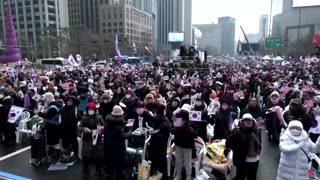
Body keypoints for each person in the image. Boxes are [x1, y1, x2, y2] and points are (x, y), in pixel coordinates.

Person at [225, 113, 261, 180]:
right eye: (246, 120)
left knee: (252, 177)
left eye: (249, 120)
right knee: (240, 177)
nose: (248, 122)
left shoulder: (257, 131)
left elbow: (259, 144)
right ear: (242, 121)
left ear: (252, 121)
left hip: (255, 160)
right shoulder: (237, 132)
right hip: (242, 161)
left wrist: (257, 153)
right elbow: (228, 143)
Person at [104, 105, 131, 180]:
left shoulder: (107, 122)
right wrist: (130, 131)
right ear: (120, 114)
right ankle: (119, 175)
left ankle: (109, 175)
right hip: (118, 147)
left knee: (110, 162)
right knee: (120, 162)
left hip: (108, 145)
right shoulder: (120, 124)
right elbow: (124, 136)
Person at [171, 104, 196, 180]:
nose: (184, 113)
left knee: (187, 162)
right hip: (178, 143)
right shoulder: (178, 118)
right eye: (183, 111)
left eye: (186, 111)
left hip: (188, 144)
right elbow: (173, 130)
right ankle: (179, 174)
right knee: (178, 160)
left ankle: (188, 176)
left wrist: (191, 131)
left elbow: (196, 134)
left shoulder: (192, 120)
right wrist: (175, 130)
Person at [145, 104, 171, 179]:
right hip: (154, 145)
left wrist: (151, 132)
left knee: (161, 163)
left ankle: (162, 176)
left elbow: (159, 133)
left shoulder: (165, 123)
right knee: (154, 162)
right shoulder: (159, 120)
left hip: (160, 146)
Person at [79, 102, 104, 175]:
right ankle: (86, 168)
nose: (90, 110)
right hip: (87, 137)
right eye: (89, 109)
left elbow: (104, 126)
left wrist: (101, 128)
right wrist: (84, 129)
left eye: (92, 109)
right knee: (85, 154)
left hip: (97, 137)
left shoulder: (99, 117)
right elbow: (79, 127)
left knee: (98, 154)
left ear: (94, 110)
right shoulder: (84, 117)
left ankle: (98, 169)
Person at [38, 92, 62, 157]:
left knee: (53, 139)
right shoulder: (52, 104)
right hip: (50, 124)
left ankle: (57, 151)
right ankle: (51, 150)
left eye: (45, 98)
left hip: (53, 125)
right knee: (50, 139)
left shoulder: (53, 107)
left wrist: (39, 113)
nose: (44, 100)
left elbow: (48, 116)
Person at [59, 96, 81, 162]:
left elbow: (79, 118)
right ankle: (66, 154)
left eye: (71, 101)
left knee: (74, 142)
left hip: (72, 128)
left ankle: (75, 154)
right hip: (64, 128)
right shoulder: (62, 108)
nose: (69, 102)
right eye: (68, 101)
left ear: (73, 102)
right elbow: (59, 118)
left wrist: (77, 115)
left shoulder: (76, 109)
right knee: (64, 142)